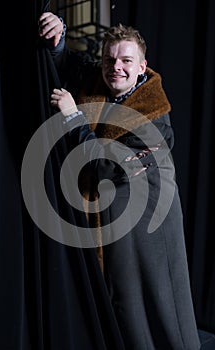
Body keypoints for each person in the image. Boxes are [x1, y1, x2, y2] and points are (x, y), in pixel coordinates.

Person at [39, 13, 201, 350]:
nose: (117, 67)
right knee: (122, 302)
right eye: (110, 59)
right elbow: (70, 61)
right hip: (112, 215)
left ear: (142, 67)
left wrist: (72, 115)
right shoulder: (101, 81)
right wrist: (58, 38)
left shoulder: (154, 120)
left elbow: (102, 164)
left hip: (149, 221)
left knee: (158, 302)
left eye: (126, 60)